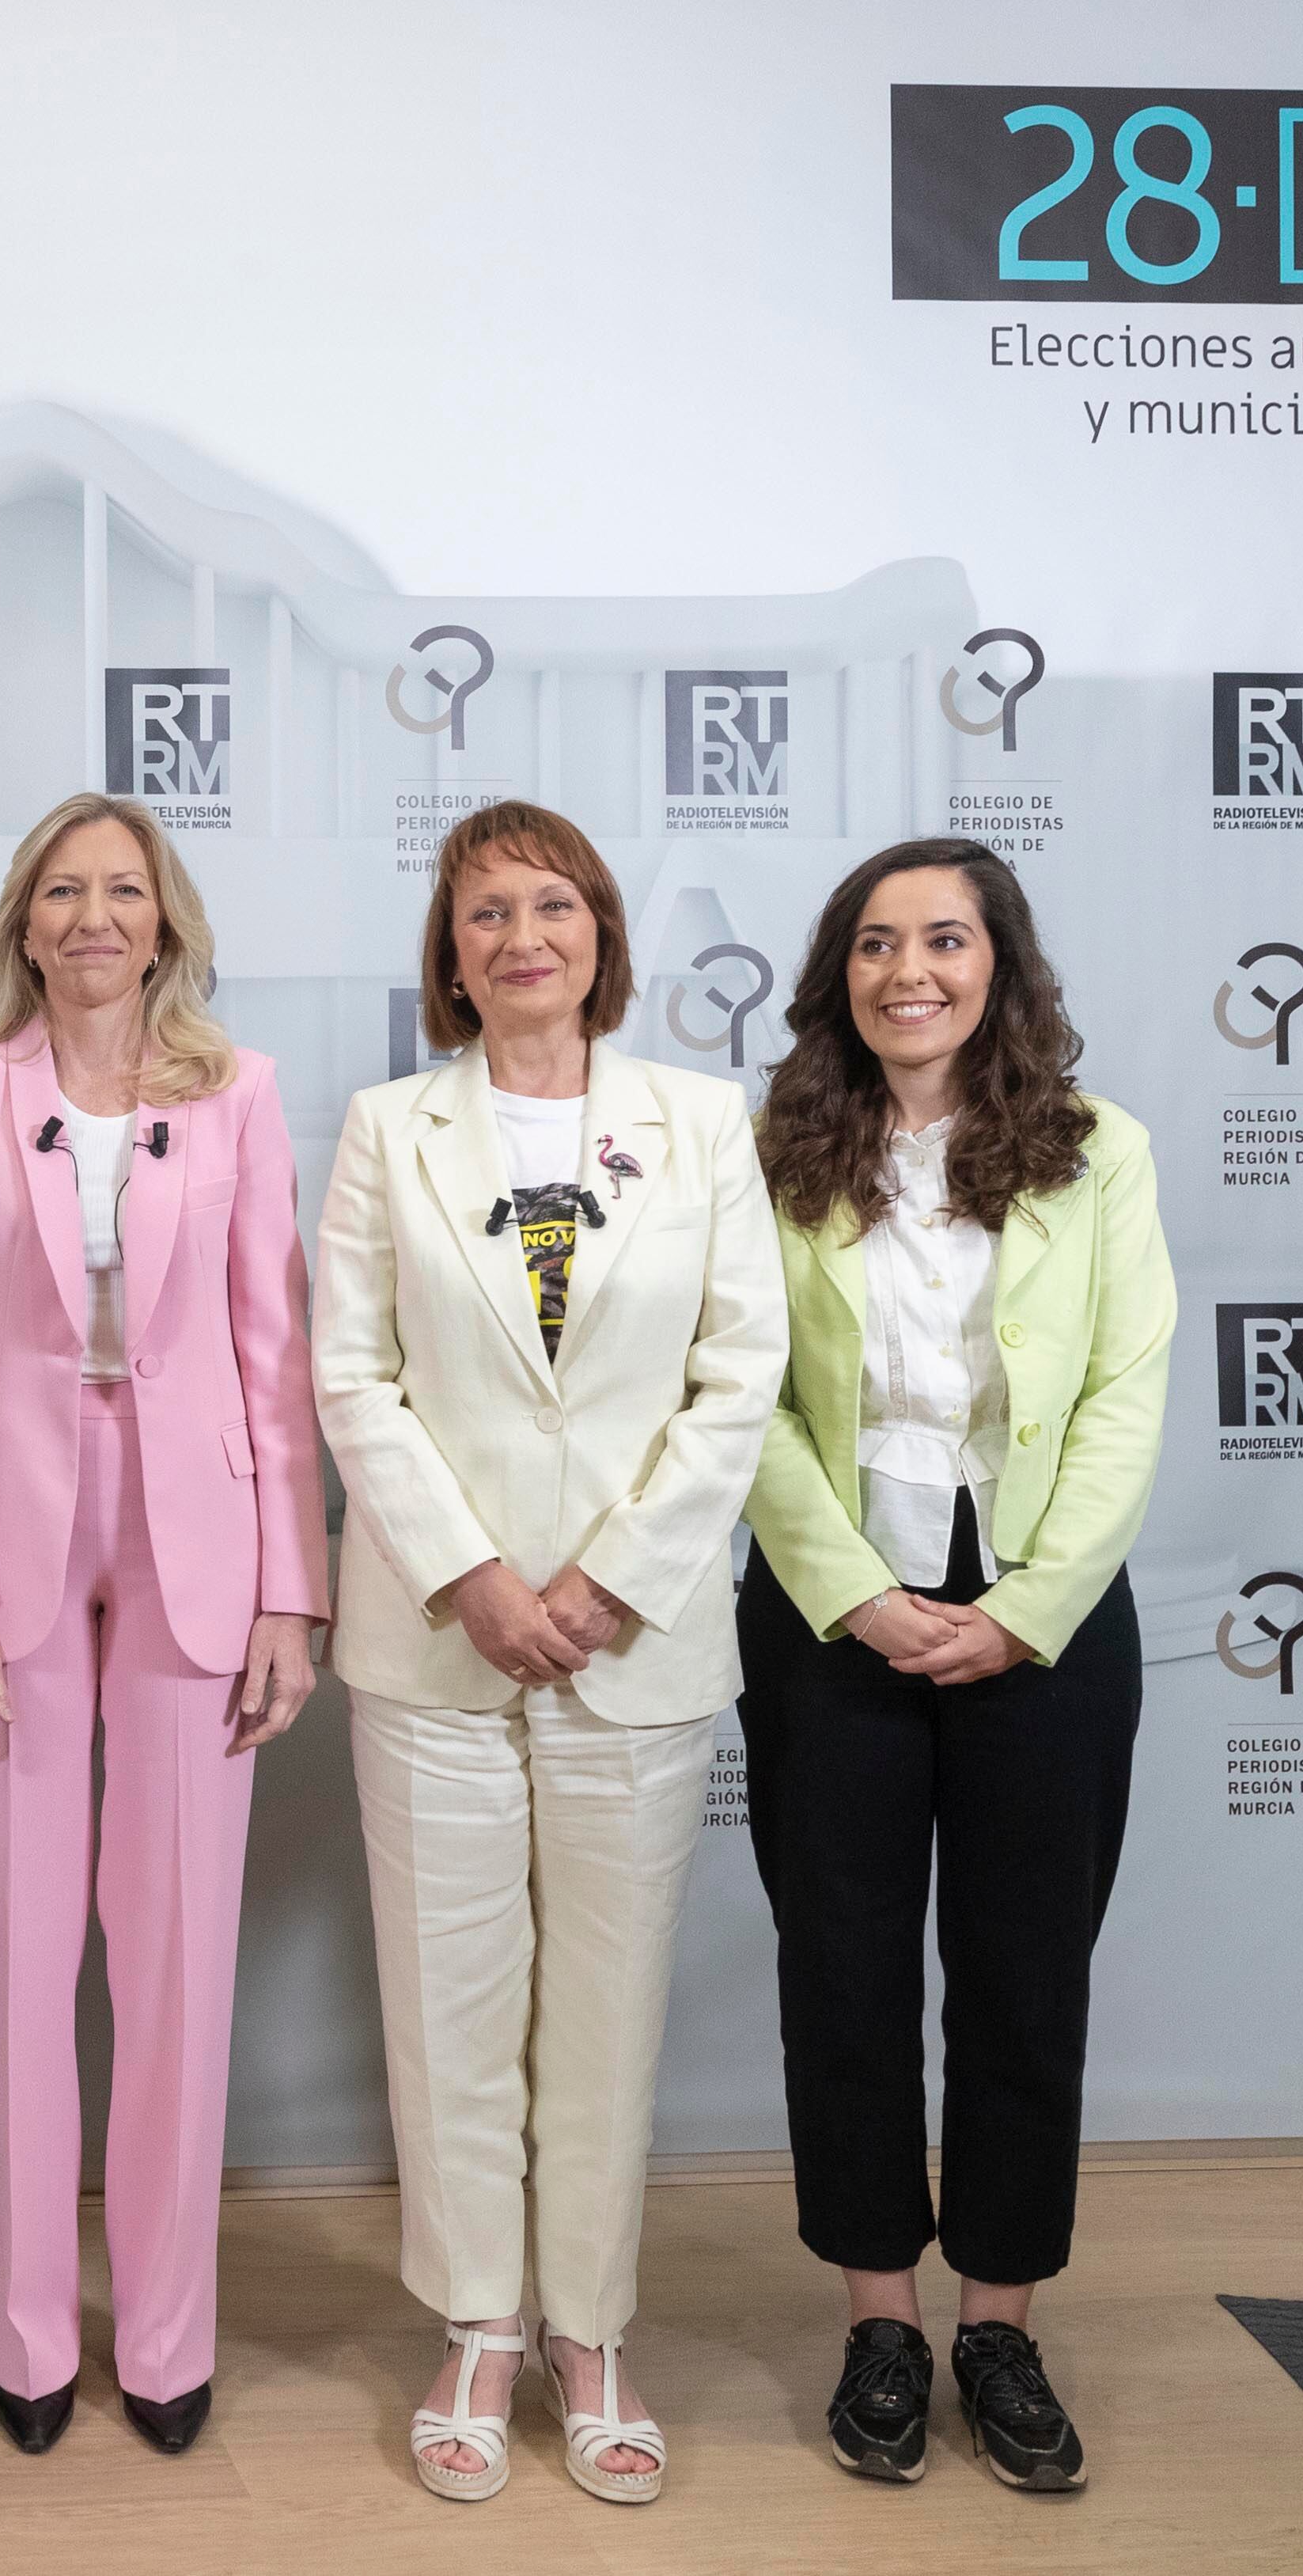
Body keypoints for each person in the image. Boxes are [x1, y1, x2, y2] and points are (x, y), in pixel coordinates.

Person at [309, 799, 784, 2506]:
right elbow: (350, 1371)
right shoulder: (384, 1128)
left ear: (599, 933)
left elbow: (740, 1373)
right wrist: (468, 1576)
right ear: (449, 955)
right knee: (448, 2011)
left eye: (552, 904)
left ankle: (590, 2336)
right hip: (437, 1643)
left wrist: (606, 1581)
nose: (521, 934)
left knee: (599, 2009)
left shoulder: (700, 1122)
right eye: (485, 911)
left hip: (631, 1643)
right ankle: (477, 2326)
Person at [0, 794, 328, 2460]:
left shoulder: (239, 1093)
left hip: (196, 1534)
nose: (90, 915)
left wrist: (294, 1583)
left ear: (164, 921)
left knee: (174, 1959)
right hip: (5, 1535)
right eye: (60, 889)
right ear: (23, 920)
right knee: (14, 1957)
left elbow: (269, 1347)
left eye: (119, 891)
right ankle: (18, 2335)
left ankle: (163, 2336)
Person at [737, 837, 1170, 2494]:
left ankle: (996, 2323)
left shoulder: (1095, 1152)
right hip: (828, 1617)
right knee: (835, 1978)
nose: (903, 967)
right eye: (870, 941)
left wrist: (1029, 1603)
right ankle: (877, 2317)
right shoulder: (769, 1153)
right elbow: (746, 1394)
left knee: (1021, 1977)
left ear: (998, 961)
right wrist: (852, 1590)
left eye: (939, 937)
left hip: (1042, 1626)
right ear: (835, 974)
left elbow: (1128, 1391)